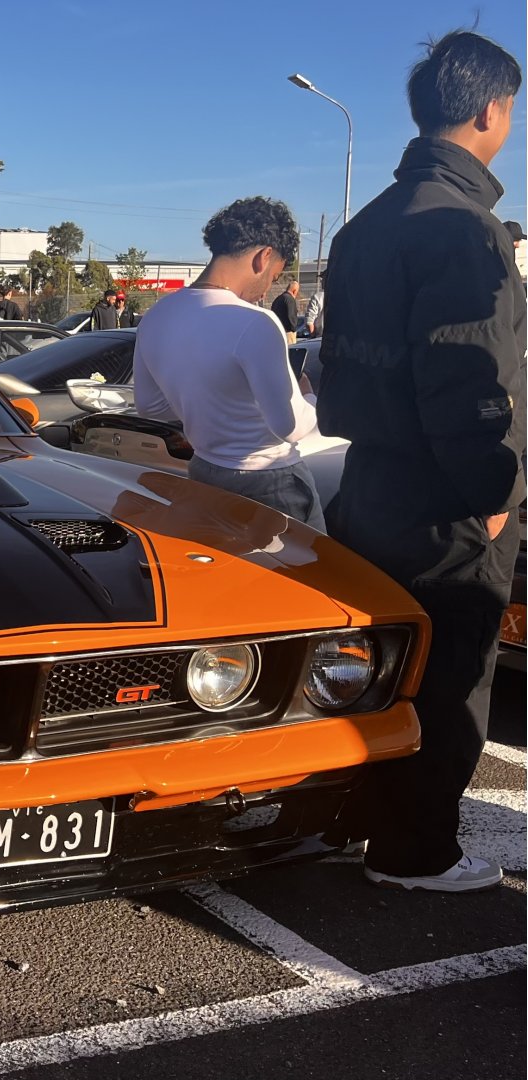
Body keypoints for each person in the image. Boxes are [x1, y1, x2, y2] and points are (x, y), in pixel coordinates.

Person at [316, 30, 524, 893]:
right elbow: (469, 375)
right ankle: (416, 851)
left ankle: (353, 820)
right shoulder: (463, 228)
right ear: (491, 110)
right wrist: (493, 490)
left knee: (377, 663)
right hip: (445, 497)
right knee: (449, 672)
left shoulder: (366, 225)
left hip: (371, 479)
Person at [134, 196, 324, 529]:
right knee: (306, 564)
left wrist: (205, 405)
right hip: (270, 482)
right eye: (274, 276)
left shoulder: (155, 316)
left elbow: (149, 407)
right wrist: (308, 395)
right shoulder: (255, 322)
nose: (266, 289)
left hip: (204, 473)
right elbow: (291, 426)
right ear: (264, 257)